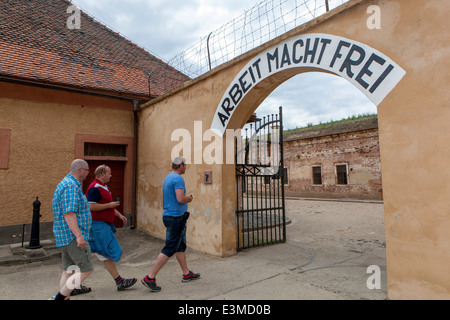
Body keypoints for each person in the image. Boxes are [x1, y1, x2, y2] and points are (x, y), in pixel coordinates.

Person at [141, 157, 200, 292]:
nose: (186, 167)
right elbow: (180, 198)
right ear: (180, 165)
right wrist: (188, 199)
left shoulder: (168, 177)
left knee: (180, 246)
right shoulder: (178, 179)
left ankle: (186, 273)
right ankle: (150, 277)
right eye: (185, 165)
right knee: (170, 248)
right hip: (176, 218)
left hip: (171, 216)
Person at [86, 164, 137, 291]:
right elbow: (91, 206)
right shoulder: (95, 188)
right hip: (97, 226)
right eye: (109, 173)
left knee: (103, 253)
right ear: (102, 174)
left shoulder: (104, 186)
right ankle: (120, 282)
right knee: (104, 253)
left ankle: (119, 281)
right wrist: (109, 205)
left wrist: (119, 215)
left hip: (103, 226)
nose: (111, 175)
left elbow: (107, 205)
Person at [50, 159, 94, 300]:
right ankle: (59, 298)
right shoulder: (70, 186)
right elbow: (69, 213)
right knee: (87, 270)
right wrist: (79, 236)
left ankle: (65, 298)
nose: (88, 174)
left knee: (68, 271)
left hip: (65, 236)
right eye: (87, 170)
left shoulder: (67, 183)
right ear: (81, 170)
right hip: (72, 237)